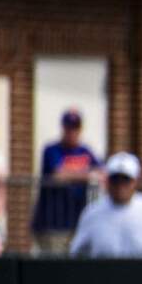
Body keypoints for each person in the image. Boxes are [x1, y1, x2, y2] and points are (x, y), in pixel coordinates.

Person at [68, 152, 142, 258]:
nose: (120, 185)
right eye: (115, 180)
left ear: (136, 181)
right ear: (108, 181)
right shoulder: (92, 214)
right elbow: (78, 253)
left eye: (125, 180)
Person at [31, 107, 100, 255]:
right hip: (52, 222)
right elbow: (58, 174)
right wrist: (87, 174)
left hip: (77, 221)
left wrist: (76, 174)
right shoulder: (52, 150)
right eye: (69, 127)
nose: (72, 132)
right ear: (63, 128)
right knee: (55, 263)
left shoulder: (85, 151)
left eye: (75, 128)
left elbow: (101, 172)